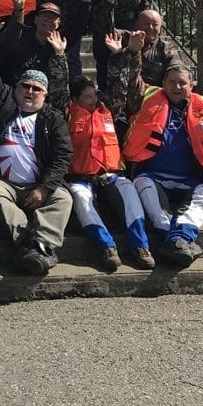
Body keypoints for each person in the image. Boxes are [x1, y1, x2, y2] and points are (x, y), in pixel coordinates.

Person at [0, 17, 74, 275]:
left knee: (63, 198)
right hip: (3, 182)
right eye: (25, 86)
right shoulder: (4, 101)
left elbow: (63, 155)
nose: (30, 92)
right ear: (16, 88)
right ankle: (31, 243)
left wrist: (45, 188)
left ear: (46, 95)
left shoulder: (52, 117)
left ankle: (41, 244)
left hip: (38, 184)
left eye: (37, 89)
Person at [123, 63, 203, 267]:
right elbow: (131, 85)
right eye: (171, 82)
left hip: (191, 179)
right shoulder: (147, 99)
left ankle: (174, 241)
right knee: (147, 194)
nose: (176, 87)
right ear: (163, 83)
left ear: (192, 85)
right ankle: (180, 241)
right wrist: (133, 54)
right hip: (152, 176)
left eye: (182, 83)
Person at [65, 30, 155, 271]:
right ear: (75, 99)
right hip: (80, 177)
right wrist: (57, 56)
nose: (93, 100)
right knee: (82, 201)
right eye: (87, 97)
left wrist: (125, 54)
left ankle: (140, 246)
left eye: (94, 95)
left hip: (112, 174)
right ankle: (106, 247)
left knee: (129, 191)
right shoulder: (65, 113)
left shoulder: (107, 110)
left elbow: (119, 85)